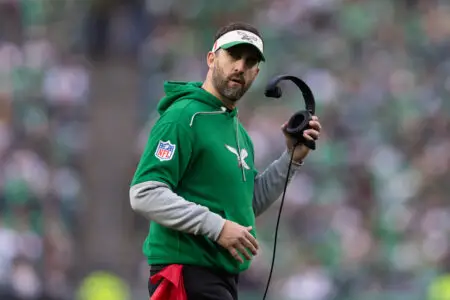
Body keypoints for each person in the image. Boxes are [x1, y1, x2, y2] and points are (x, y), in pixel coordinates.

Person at [129, 21, 322, 300]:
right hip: (186, 275)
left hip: (220, 279)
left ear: (257, 72)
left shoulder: (238, 131)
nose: (240, 67)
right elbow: (144, 193)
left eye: (250, 61)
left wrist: (290, 160)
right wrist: (217, 226)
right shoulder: (184, 116)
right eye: (233, 55)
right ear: (211, 58)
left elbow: (246, 204)